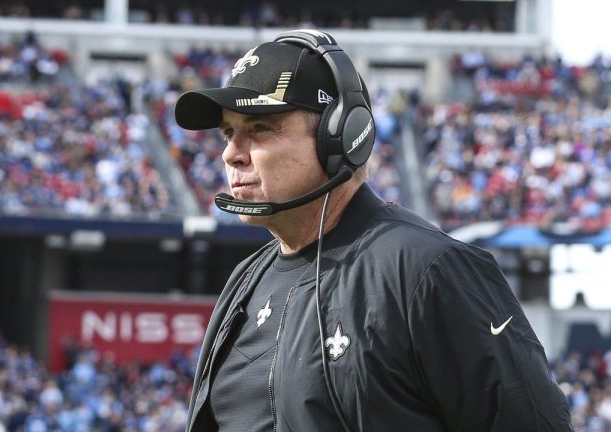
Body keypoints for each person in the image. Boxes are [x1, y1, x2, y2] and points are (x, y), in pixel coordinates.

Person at [174, 29, 573, 431]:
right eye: (228, 132)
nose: (230, 153)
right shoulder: (244, 282)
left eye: (260, 128)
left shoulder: (427, 270)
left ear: (339, 137)